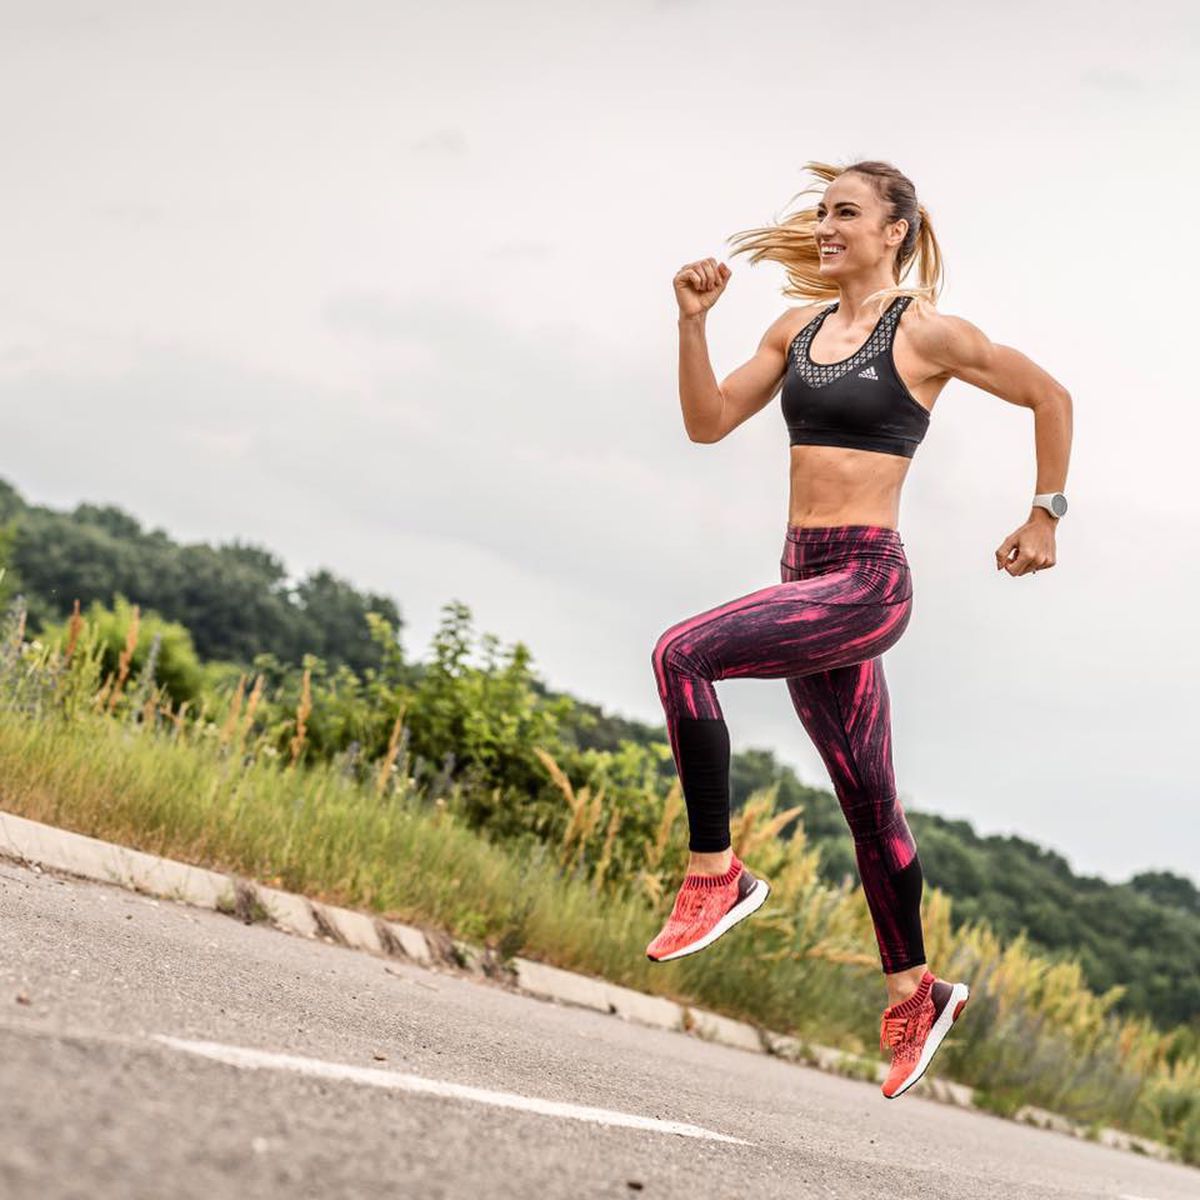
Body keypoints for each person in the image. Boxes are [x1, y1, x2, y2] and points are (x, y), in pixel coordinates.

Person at [644, 159, 1073, 1100]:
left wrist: (1045, 514)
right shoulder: (793, 329)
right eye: (821, 211)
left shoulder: (927, 334)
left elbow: (1051, 397)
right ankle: (916, 993)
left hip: (866, 580)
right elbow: (708, 422)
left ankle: (715, 873)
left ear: (894, 232)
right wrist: (691, 324)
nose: (826, 225)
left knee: (683, 654)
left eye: (846, 212)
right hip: (803, 573)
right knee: (869, 803)